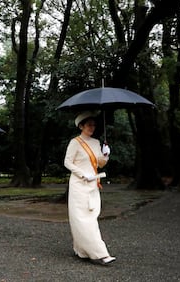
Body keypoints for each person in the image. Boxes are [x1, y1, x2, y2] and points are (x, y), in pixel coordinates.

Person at [63, 111, 115, 265]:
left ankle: (81, 250)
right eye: (89, 125)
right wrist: (82, 174)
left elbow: (99, 164)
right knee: (82, 219)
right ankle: (100, 253)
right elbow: (67, 162)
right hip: (79, 185)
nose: (92, 127)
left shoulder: (96, 142)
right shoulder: (75, 142)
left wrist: (105, 155)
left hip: (93, 184)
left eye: (93, 125)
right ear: (81, 126)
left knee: (91, 217)